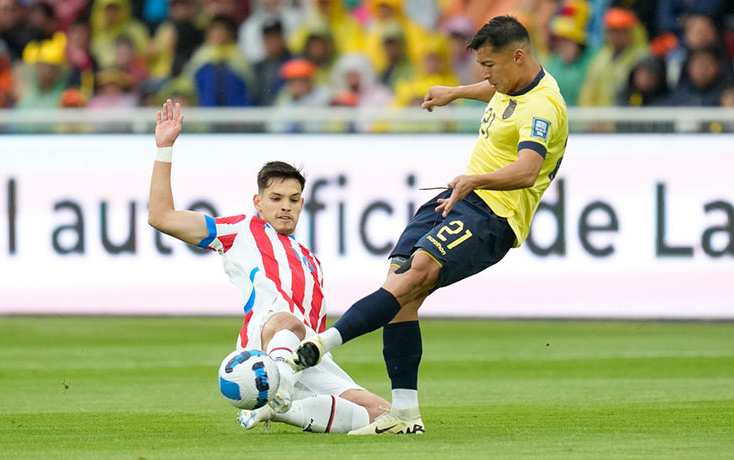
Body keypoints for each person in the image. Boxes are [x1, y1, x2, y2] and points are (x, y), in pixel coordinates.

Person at [290, 16, 568, 435]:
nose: (485, 75)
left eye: (489, 66)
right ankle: (404, 414)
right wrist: (455, 93)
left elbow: (528, 170)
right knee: (400, 282)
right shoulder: (509, 82)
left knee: (416, 273)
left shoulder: (543, 106)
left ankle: (321, 344)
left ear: (518, 56)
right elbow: (494, 92)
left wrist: (474, 179)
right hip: (460, 198)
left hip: (493, 215)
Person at [148, 99, 389, 433]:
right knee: (286, 318)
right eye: (276, 199)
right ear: (258, 202)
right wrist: (164, 148)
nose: (285, 207)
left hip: (305, 352)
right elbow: (161, 217)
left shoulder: (312, 261)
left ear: (303, 203)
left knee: (387, 415)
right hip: (267, 341)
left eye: (293, 199)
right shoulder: (241, 231)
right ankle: (279, 385)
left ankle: (278, 410)